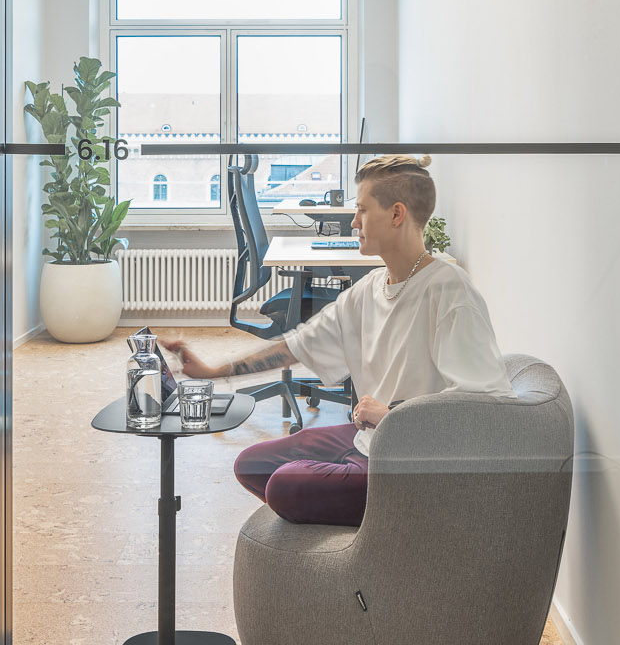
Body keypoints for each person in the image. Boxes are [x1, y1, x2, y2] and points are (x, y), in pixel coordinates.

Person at [161, 154, 509, 528]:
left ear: (396, 215)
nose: (354, 222)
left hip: (404, 465)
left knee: (283, 486)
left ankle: (391, 521)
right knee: (252, 464)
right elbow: (298, 344)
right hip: (367, 440)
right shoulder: (371, 288)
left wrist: (393, 419)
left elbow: (489, 408)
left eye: (361, 210)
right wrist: (214, 371)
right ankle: (359, 515)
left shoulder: (450, 291)